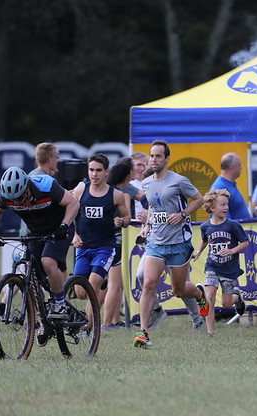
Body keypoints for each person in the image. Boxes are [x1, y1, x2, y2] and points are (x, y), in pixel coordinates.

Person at [0, 166, 80, 344]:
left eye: (20, 197)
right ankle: (43, 319)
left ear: (27, 187)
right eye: (14, 200)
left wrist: (64, 225)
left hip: (59, 229)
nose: (18, 202)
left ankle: (60, 304)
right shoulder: (7, 196)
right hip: (36, 232)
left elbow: (73, 203)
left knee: (48, 262)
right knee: (31, 274)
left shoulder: (46, 186)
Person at [134, 140, 207, 348]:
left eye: (158, 156)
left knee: (179, 290)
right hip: (156, 242)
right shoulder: (147, 183)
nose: (154, 159)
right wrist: (147, 225)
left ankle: (199, 293)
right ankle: (144, 332)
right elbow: (153, 208)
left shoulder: (179, 181)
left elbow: (199, 200)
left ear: (167, 159)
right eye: (151, 156)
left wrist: (182, 214)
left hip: (178, 243)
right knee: (148, 283)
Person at [71, 154, 131, 333]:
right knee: (81, 293)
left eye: (98, 170)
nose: (94, 174)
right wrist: (74, 235)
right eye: (91, 170)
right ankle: (101, 280)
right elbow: (70, 214)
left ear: (106, 172)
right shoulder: (81, 191)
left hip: (105, 248)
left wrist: (122, 221)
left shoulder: (116, 195)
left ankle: (87, 328)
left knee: (92, 285)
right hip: (83, 247)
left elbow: (127, 216)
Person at [193, 189, 248, 335]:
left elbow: (245, 242)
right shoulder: (205, 226)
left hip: (229, 268)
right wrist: (198, 252)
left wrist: (232, 250)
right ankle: (211, 332)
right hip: (212, 266)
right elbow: (205, 240)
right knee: (209, 297)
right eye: (222, 205)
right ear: (212, 208)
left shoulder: (232, 225)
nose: (226, 208)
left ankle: (237, 297)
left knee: (226, 303)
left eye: (227, 204)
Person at [103, 158, 137, 330]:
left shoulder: (107, 191)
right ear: (128, 176)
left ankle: (114, 321)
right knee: (115, 286)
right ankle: (107, 323)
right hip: (116, 243)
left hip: (106, 242)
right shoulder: (121, 194)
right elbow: (127, 219)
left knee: (115, 285)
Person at [210, 152, 250, 219]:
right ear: (232, 167)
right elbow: (221, 219)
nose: (241, 167)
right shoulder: (219, 188)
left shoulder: (229, 185)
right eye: (239, 165)